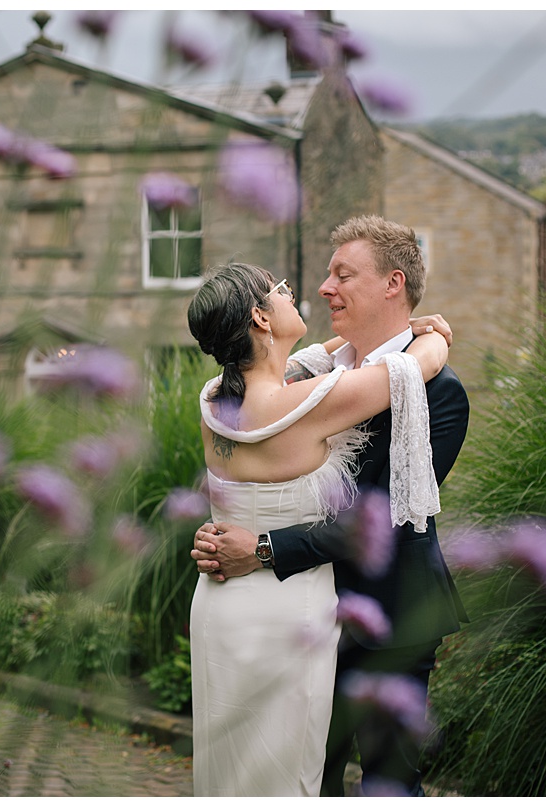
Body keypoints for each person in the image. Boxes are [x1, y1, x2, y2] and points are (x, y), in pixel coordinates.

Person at [192, 215, 470, 796]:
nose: (323, 288)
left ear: (393, 283)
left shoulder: (440, 394)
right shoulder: (313, 382)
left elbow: (376, 519)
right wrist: (433, 340)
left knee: (388, 783)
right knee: (312, 780)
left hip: (386, 618)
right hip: (300, 616)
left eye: (343, 275)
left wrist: (261, 546)